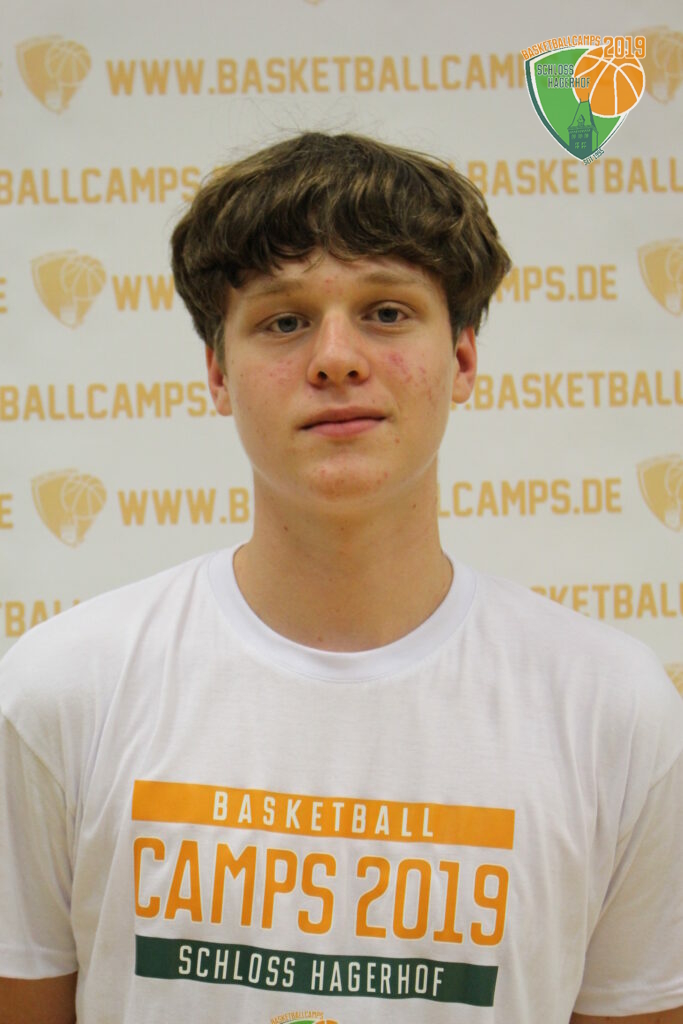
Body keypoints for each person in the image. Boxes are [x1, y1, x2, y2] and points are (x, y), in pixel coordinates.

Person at [0, 132, 681, 1024]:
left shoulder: (610, 709)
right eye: (283, 322)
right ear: (217, 373)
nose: (335, 357)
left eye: (386, 312)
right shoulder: (60, 690)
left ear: (462, 358)